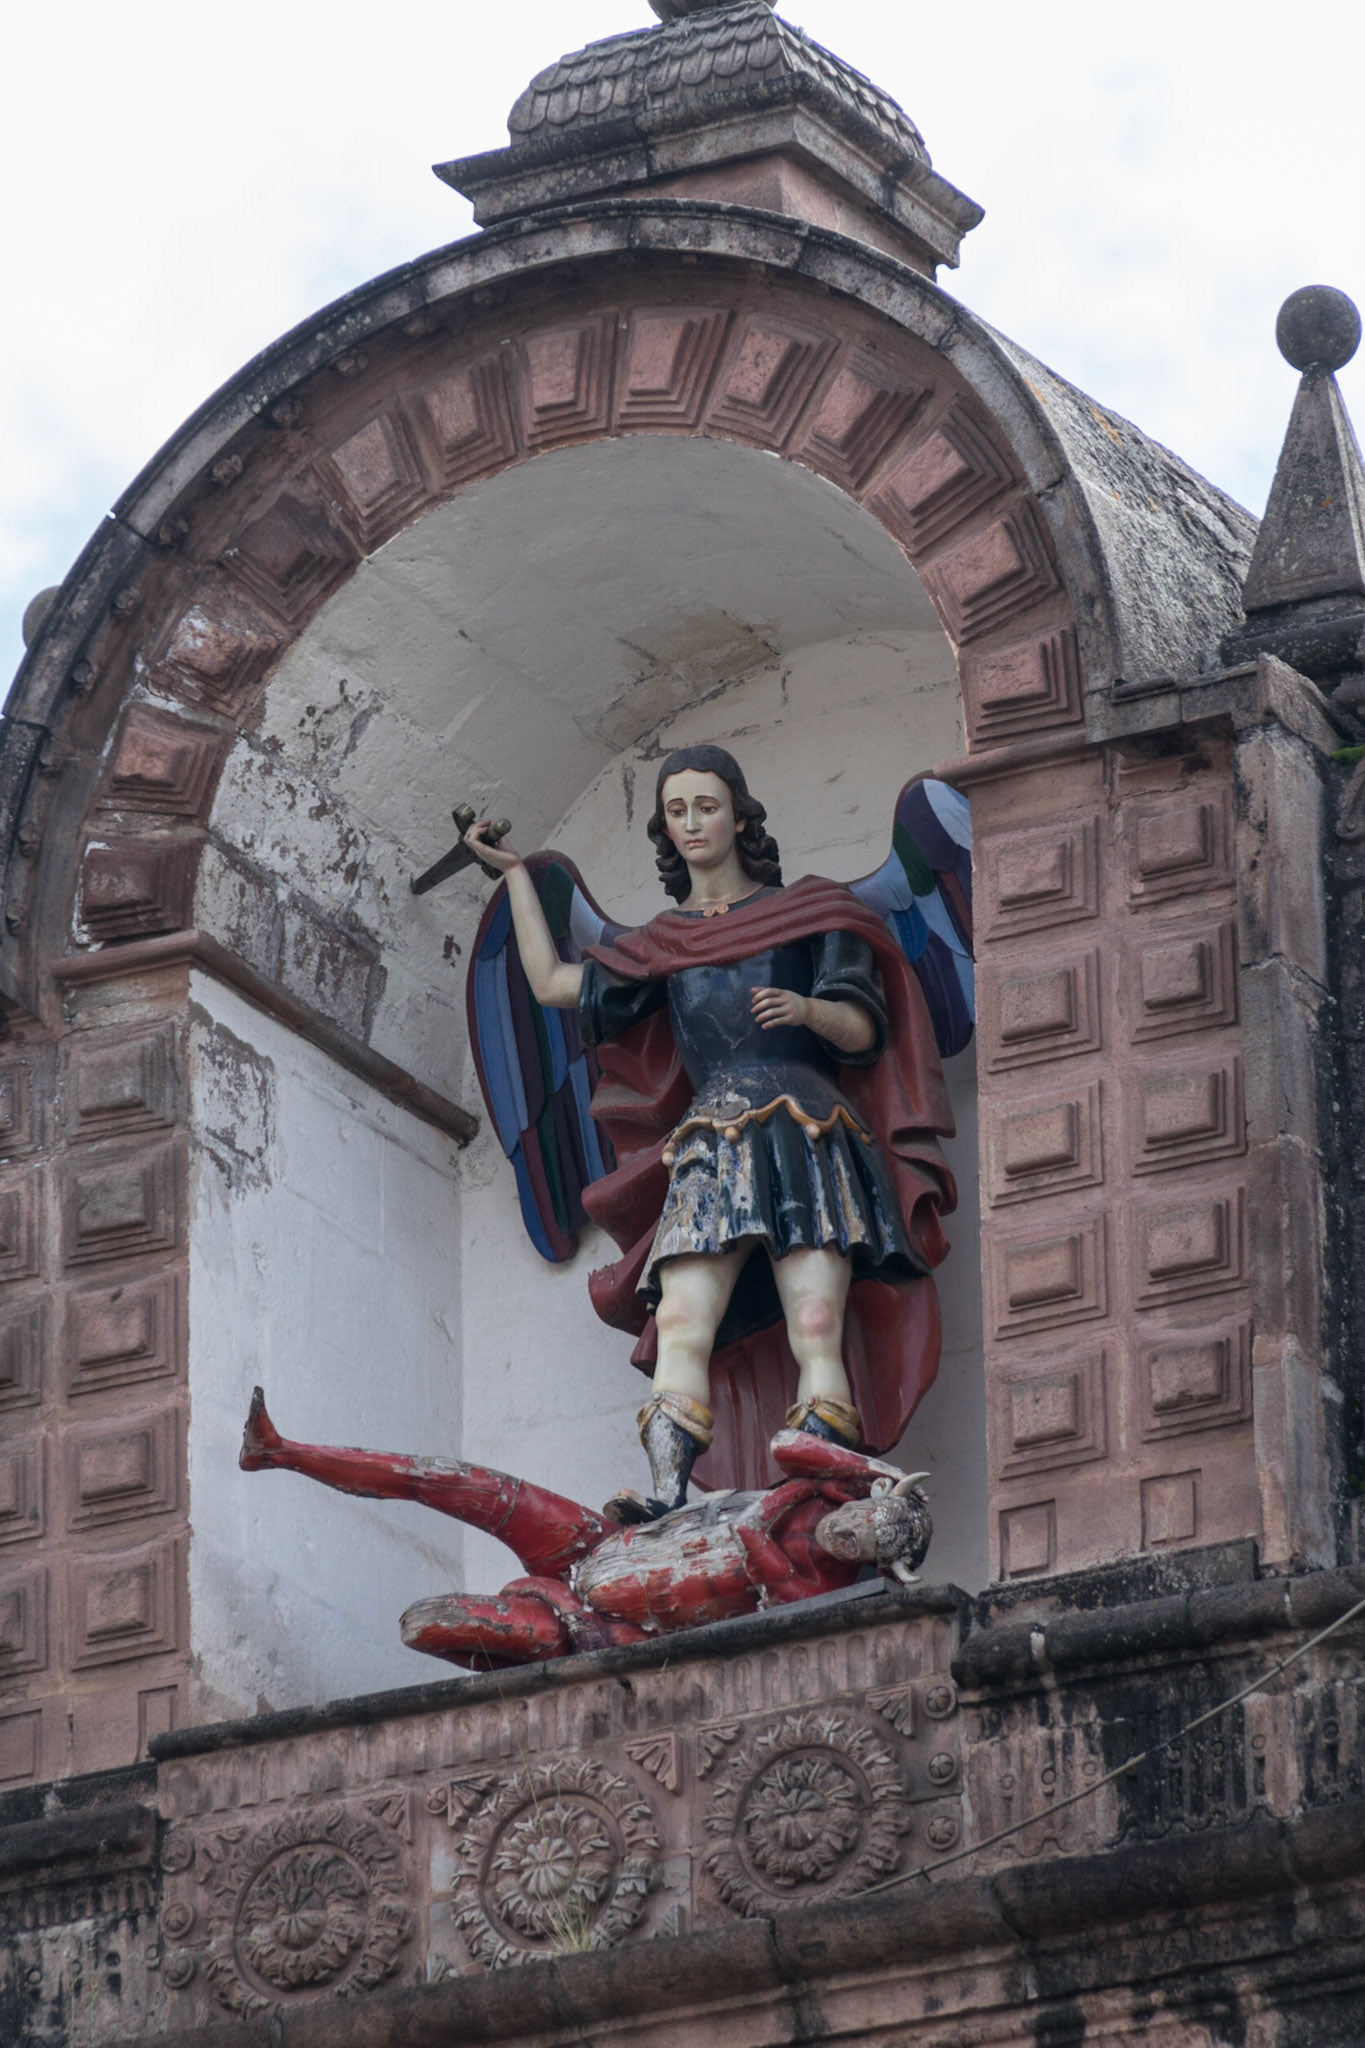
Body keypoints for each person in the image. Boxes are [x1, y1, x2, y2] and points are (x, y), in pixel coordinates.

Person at [466, 745, 955, 1519]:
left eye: (706, 805)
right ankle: (666, 1491)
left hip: (808, 1126)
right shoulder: (662, 945)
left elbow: (863, 1028)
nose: (692, 823)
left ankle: (826, 1484)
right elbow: (553, 985)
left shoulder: (814, 912)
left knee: (818, 1316)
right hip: (712, 1138)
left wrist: (807, 1011)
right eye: (676, 811)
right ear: (664, 829)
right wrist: (516, 877)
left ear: (738, 814)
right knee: (682, 1317)